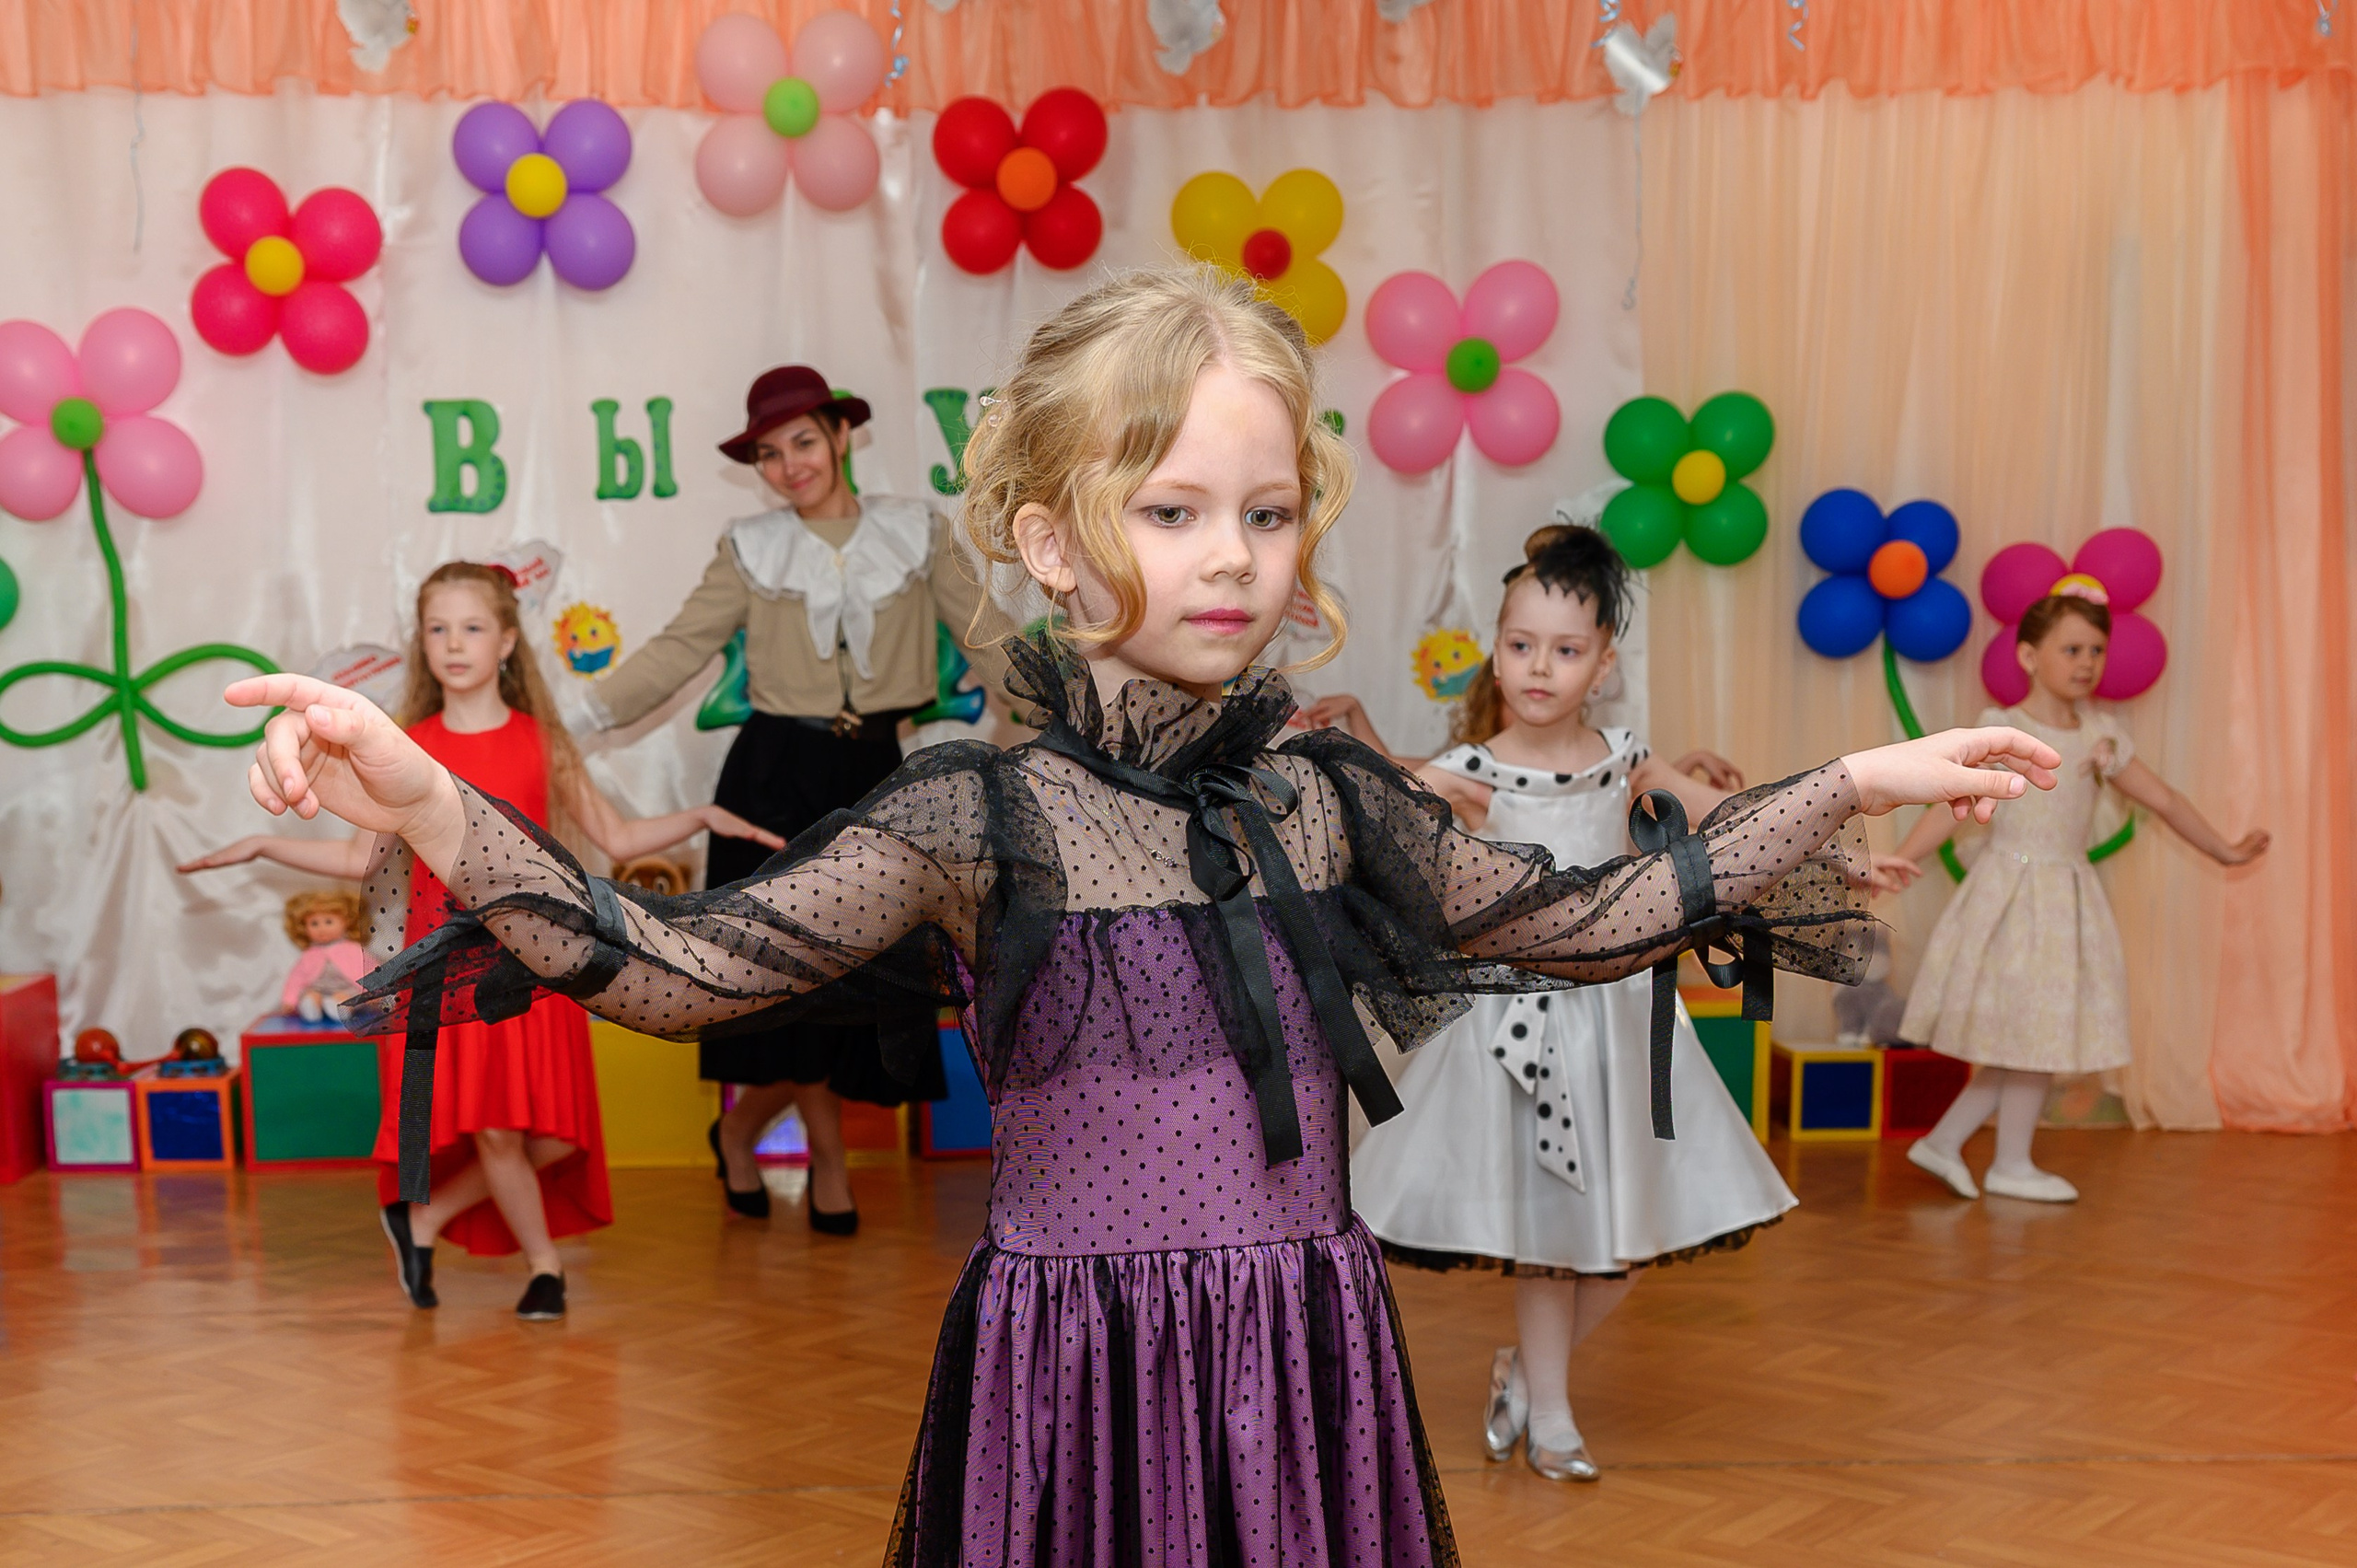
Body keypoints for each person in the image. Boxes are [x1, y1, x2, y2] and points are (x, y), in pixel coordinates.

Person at [222, 266, 2058, 1563]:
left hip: (1299, 1360)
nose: (1228, 553)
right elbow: (675, 968)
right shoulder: (980, 809)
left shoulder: (1326, 801)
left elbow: (1588, 911)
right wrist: (430, 797)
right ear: (1041, 539)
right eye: (1170, 504)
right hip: (1065, 1374)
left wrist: (1844, 787)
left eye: (1262, 510)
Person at [1336, 525, 1911, 1481]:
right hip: (1508, 1031)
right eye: (1521, 644)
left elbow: (1729, 824)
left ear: (1603, 664)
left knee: (1623, 1243)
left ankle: (1525, 1370)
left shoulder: (1622, 758)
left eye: (1565, 650)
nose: (1538, 667)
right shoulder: (1476, 769)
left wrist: (1843, 859)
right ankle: (1553, 1415)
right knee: (1543, 1239)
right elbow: (1388, 809)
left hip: (1617, 1023)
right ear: (1496, 643)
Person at [182, 562, 779, 1318]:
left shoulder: (543, 742)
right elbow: (363, 858)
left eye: (471, 626)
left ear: (505, 641)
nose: (454, 643)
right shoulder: (405, 745)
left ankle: (422, 1218)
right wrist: (264, 846)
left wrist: (703, 815)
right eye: (437, 628)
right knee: (496, 1131)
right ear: (422, 644)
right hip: (453, 971)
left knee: (558, 1136)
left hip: (543, 960)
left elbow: (619, 834)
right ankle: (545, 1271)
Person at [580, 365, 1011, 1228]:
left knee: (857, 989)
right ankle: (824, 1163)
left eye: (803, 442)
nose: (789, 465)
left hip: (878, 782)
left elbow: (988, 641)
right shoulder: (750, 548)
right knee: (776, 988)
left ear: (842, 436)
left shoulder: (916, 534)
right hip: (772, 783)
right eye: (770, 453)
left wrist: (1070, 722)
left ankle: (745, 1135)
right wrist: (572, 718)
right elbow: (676, 649)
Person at [1891, 587, 2268, 1203]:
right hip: (2009, 898)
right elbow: (1950, 808)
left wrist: (2225, 849)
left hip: (2065, 901)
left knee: (2033, 1033)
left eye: (2096, 649)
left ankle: (1978, 1150)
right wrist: (1903, 859)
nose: (2087, 661)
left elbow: (2165, 799)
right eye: (2071, 648)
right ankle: (1991, 1154)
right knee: (2021, 1034)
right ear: (2029, 655)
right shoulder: (2001, 728)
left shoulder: (2101, 737)